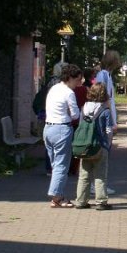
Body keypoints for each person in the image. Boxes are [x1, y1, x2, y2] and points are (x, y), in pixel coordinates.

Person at [44, 63, 82, 208]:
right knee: (61, 166)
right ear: (70, 78)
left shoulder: (53, 89)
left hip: (48, 129)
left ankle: (56, 195)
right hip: (62, 129)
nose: (78, 84)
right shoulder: (69, 93)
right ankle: (57, 197)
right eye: (77, 80)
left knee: (55, 164)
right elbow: (75, 115)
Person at [74, 82, 114, 210]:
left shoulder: (84, 108)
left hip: (85, 146)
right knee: (100, 175)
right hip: (100, 146)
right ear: (104, 95)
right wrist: (108, 145)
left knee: (84, 176)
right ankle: (101, 202)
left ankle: (81, 201)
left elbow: (81, 126)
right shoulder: (105, 111)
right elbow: (109, 131)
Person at [96, 51, 120, 132]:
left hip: (107, 115)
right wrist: (112, 121)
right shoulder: (103, 75)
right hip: (104, 116)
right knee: (105, 137)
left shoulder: (107, 75)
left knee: (107, 137)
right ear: (112, 62)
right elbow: (103, 97)